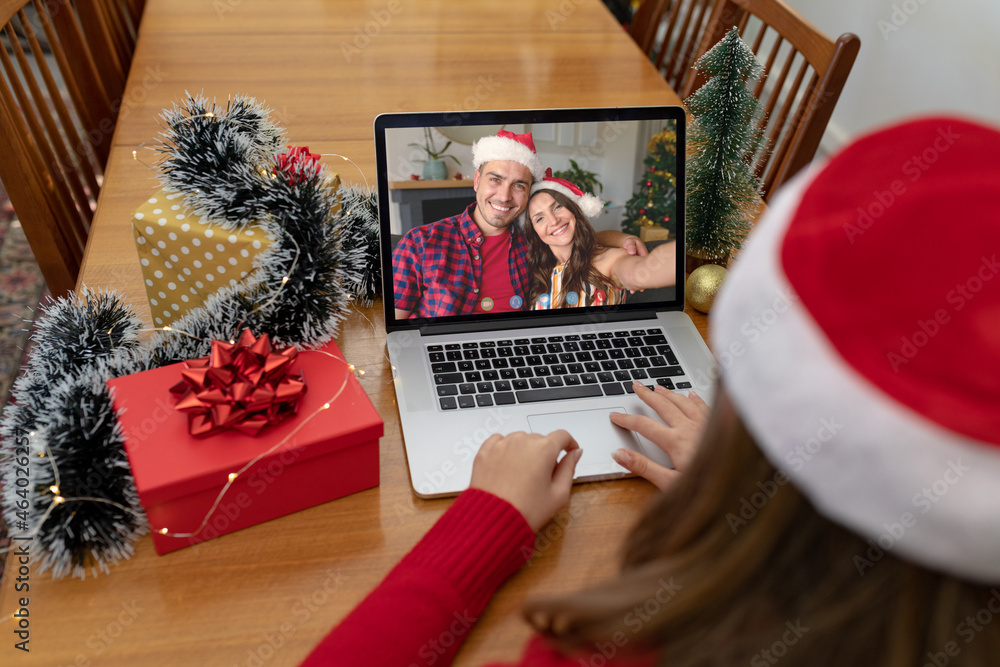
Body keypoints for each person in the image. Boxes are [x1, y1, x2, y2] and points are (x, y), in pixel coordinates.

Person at [302, 116, 1000, 665]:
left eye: (526, 191)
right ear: (473, 178)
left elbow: (597, 249)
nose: (512, 201)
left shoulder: (633, 643)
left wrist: (486, 520)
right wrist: (744, 501)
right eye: (496, 182)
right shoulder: (425, 247)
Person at [392, 130, 646, 319]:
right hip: (446, 355)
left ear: (528, 193)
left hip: (523, 356)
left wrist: (623, 239)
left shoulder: (535, 240)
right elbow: (396, 330)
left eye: (518, 185)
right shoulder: (420, 242)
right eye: (495, 179)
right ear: (477, 179)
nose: (504, 196)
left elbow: (582, 240)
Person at [524, 172, 677, 309]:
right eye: (540, 218)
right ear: (534, 232)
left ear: (574, 209)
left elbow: (641, 270)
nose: (553, 221)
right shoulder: (536, 269)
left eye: (557, 207)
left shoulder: (607, 259)